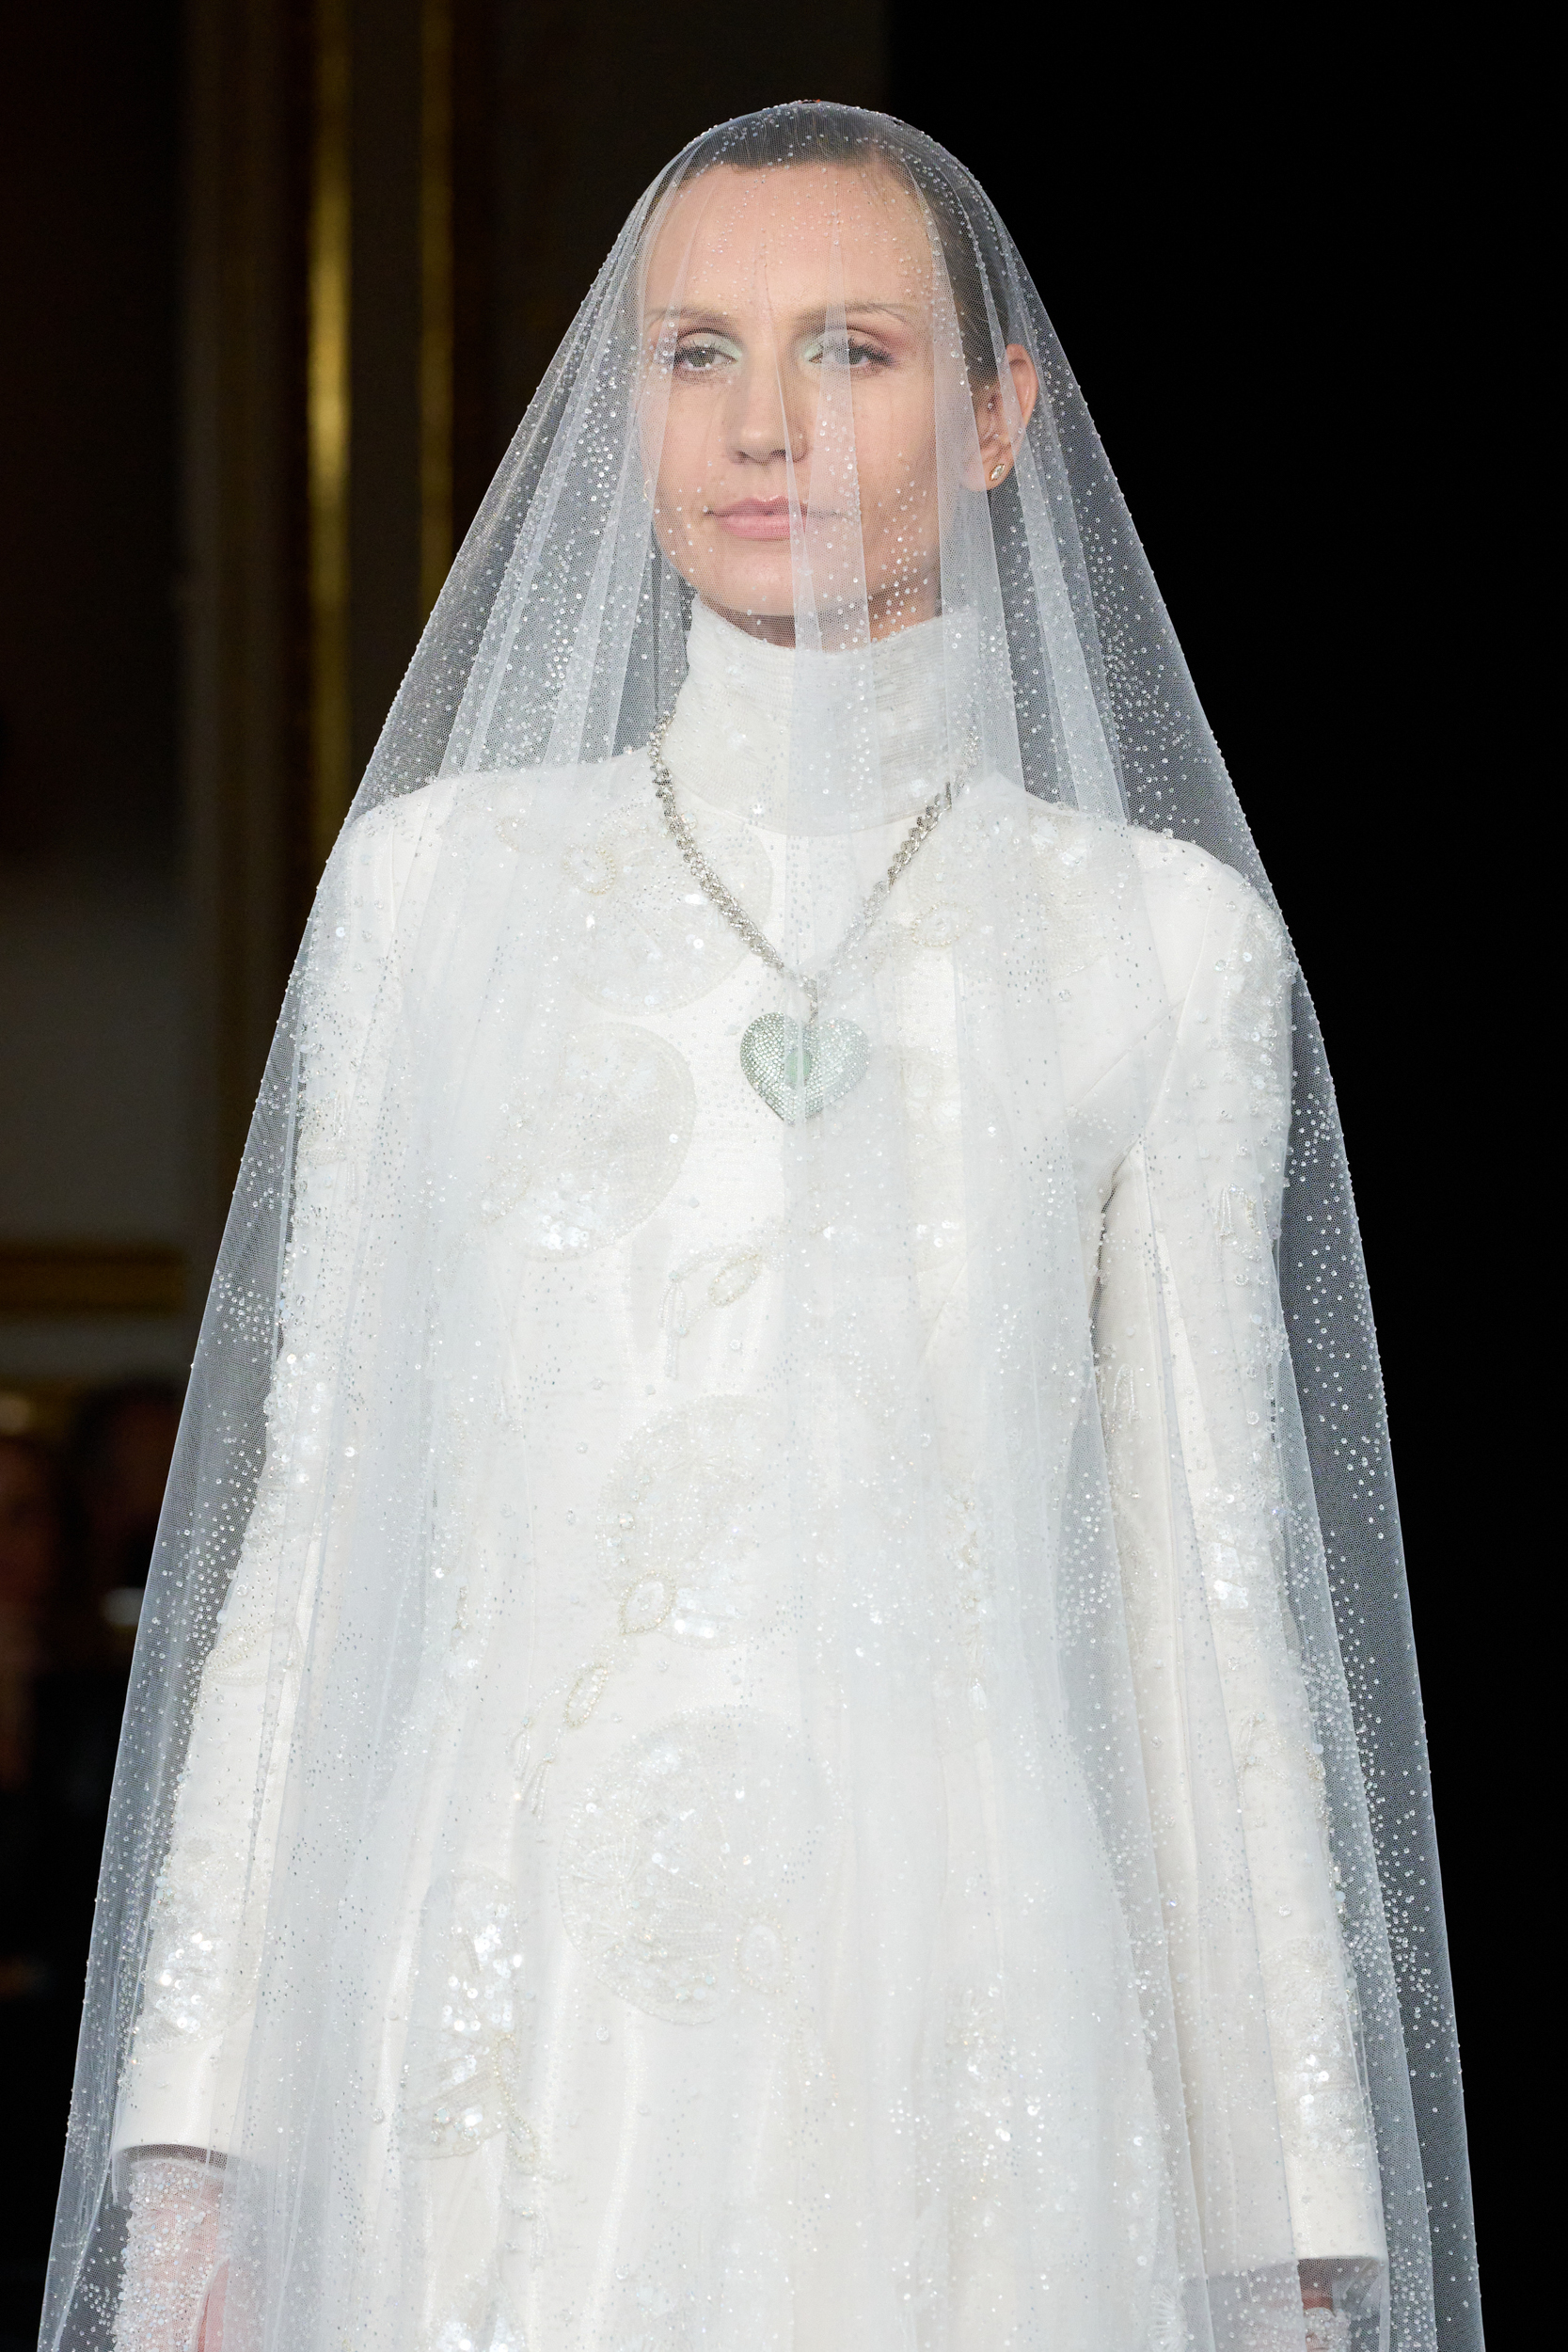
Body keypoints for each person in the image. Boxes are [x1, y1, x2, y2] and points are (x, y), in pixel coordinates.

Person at [42, 104, 1477, 2352]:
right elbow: (315, 1534)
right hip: (497, 2005)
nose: (761, 423)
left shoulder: (1158, 946)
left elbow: (1212, 1617)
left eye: (851, 349)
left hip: (975, 2031)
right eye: (697, 350)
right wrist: (199, 2142)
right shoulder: (435, 895)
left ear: (998, 417)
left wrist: (1280, 2222)